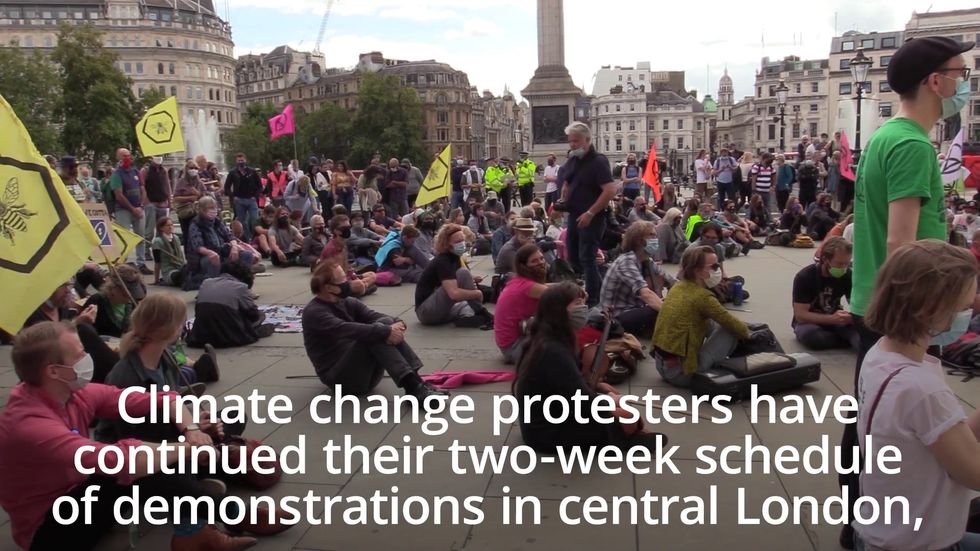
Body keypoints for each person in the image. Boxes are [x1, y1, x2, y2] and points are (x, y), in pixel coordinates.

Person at [841, 38, 974, 548]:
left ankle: (861, 521)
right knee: (893, 419)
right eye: (960, 73)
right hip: (905, 309)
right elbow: (902, 241)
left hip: (874, 301)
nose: (965, 82)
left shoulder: (885, 137)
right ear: (934, 81)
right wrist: (938, 308)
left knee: (869, 423)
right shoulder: (914, 145)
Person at [0, 322, 260, 551]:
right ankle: (229, 510)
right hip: (53, 527)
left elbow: (165, 399)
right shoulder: (28, 424)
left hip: (91, 488)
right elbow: (121, 461)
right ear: (53, 371)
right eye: (79, 355)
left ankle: (201, 486)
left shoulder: (73, 392)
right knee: (140, 469)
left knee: (213, 425)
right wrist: (190, 447)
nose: (88, 357)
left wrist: (191, 431)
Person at [853, 240, 980, 551]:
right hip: (919, 543)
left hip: (885, 531)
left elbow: (946, 435)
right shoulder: (921, 387)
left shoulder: (881, 355)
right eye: (964, 307)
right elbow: (973, 473)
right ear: (931, 309)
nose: (971, 311)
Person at [515, 282, 663, 453]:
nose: (584, 308)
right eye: (577, 304)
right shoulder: (553, 351)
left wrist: (601, 388)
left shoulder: (551, 338)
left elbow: (569, 384)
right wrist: (608, 403)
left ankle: (626, 434)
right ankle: (624, 439)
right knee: (628, 417)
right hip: (546, 432)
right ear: (559, 311)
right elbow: (582, 399)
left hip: (549, 417)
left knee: (622, 412)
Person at [303, 259, 444, 401]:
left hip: (365, 374)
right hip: (341, 381)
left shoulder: (348, 302)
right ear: (329, 288)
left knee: (382, 324)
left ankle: (416, 382)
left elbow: (377, 316)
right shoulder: (315, 313)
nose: (350, 281)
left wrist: (398, 322)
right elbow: (346, 329)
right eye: (344, 279)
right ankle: (412, 387)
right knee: (373, 333)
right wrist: (386, 331)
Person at [652, 246, 750, 387]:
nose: (719, 270)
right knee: (730, 330)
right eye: (714, 266)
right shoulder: (703, 297)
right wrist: (751, 334)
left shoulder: (678, 287)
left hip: (663, 367)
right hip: (682, 374)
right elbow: (737, 327)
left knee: (710, 321)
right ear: (697, 271)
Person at [558, 122, 616, 307]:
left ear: (588, 140)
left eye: (576, 141)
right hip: (574, 216)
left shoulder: (598, 161)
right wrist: (565, 190)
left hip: (592, 218)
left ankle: (593, 299)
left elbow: (609, 190)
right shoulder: (574, 159)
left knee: (587, 257)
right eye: (570, 141)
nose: (572, 145)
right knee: (572, 257)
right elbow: (567, 178)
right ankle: (578, 292)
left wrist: (590, 212)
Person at [600, 222, 675, 338]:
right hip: (615, 317)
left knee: (669, 305)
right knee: (658, 310)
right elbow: (646, 294)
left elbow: (671, 280)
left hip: (633, 309)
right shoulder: (626, 261)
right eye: (651, 235)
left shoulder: (646, 260)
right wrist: (671, 313)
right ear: (638, 240)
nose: (656, 239)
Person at [414, 224, 492, 328]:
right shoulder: (443, 261)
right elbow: (454, 294)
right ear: (447, 244)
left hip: (439, 309)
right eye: (457, 242)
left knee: (466, 304)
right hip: (426, 311)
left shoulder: (454, 257)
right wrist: (477, 293)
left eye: (462, 240)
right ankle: (480, 312)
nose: (462, 244)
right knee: (463, 274)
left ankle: (467, 317)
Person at [791, 237, 859, 350]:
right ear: (825, 259)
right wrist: (832, 319)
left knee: (863, 336)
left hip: (837, 320)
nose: (843, 268)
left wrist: (853, 317)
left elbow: (855, 303)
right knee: (811, 336)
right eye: (839, 263)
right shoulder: (805, 276)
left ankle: (843, 340)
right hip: (810, 322)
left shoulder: (847, 275)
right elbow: (801, 315)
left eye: (847, 263)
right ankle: (843, 341)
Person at [186, 261, 271, 348]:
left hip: (200, 336)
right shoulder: (241, 287)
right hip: (230, 336)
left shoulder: (206, 282)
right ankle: (255, 331)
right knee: (261, 315)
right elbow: (254, 315)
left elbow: (197, 310)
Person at [495, 244, 549, 364]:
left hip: (510, 342)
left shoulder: (519, 281)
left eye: (541, 258)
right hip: (514, 347)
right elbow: (557, 293)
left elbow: (547, 287)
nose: (540, 263)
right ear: (523, 266)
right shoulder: (528, 287)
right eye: (534, 261)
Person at [185, 196, 253, 284]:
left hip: (221, 251)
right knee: (212, 259)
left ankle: (243, 286)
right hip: (202, 257)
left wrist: (234, 247)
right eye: (210, 208)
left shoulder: (217, 222)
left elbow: (229, 236)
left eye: (215, 207)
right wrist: (210, 253)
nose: (214, 210)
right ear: (202, 210)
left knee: (246, 255)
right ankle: (211, 288)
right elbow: (198, 246)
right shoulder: (195, 224)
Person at [109, 148, 151, 275]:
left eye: (128, 155)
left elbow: (143, 190)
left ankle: (141, 263)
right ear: (118, 158)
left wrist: (141, 206)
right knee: (124, 238)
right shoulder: (116, 174)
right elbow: (119, 195)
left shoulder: (136, 172)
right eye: (123, 156)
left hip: (139, 209)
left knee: (140, 237)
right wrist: (132, 209)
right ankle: (121, 264)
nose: (127, 158)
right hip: (123, 211)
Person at [81, 264, 145, 338]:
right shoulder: (96, 301)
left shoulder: (132, 303)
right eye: (125, 295)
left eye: (133, 294)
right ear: (113, 288)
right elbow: (85, 332)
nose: (129, 299)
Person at [224, 152, 263, 241]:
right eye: (239, 160)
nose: (240, 162)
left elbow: (260, 186)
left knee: (254, 220)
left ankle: (255, 238)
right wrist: (232, 197)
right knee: (242, 222)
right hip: (239, 200)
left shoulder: (252, 172)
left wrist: (255, 196)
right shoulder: (233, 173)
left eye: (242, 160)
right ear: (236, 161)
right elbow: (227, 187)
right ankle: (247, 238)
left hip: (251, 199)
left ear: (245, 160)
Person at [140, 155, 172, 245]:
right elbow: (141, 187)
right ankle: (146, 250)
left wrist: (170, 202)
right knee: (149, 231)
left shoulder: (164, 171)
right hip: (151, 204)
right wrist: (145, 202)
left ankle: (160, 250)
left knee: (162, 231)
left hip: (163, 204)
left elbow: (167, 186)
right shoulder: (145, 171)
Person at [172, 160, 205, 238]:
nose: (193, 170)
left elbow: (206, 196)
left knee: (197, 234)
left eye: (195, 168)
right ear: (186, 169)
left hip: (197, 212)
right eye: (191, 168)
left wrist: (198, 193)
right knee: (187, 235)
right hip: (185, 212)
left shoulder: (199, 182)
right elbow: (175, 198)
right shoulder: (181, 182)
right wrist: (190, 198)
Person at [152, 217, 186, 287]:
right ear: (161, 228)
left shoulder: (176, 238)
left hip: (180, 267)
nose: (170, 227)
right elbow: (157, 262)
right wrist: (156, 279)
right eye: (168, 225)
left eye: (171, 225)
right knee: (179, 276)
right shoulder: (157, 241)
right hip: (169, 272)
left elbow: (181, 256)